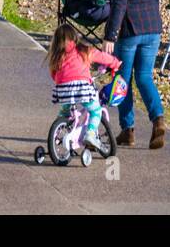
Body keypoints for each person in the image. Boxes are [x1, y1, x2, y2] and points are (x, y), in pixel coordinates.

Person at [100, 0, 166, 149]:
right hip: (153, 26)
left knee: (122, 79)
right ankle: (158, 118)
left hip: (129, 28)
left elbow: (119, 1)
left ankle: (127, 129)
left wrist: (110, 35)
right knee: (145, 76)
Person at [48, 22, 121, 152]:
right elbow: (103, 57)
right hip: (82, 87)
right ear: (74, 38)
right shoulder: (84, 51)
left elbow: (54, 74)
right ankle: (91, 134)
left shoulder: (57, 55)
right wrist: (115, 63)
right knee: (95, 110)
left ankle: (57, 131)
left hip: (62, 89)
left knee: (66, 111)